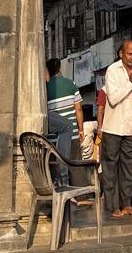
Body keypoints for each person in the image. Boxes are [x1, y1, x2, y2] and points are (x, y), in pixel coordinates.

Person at [100, 39, 132, 218]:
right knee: (110, 167)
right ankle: (113, 206)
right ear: (121, 54)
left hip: (130, 127)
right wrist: (130, 82)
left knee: (129, 167)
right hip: (113, 127)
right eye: (129, 53)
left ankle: (127, 203)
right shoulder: (113, 70)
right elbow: (112, 98)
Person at [45, 58, 84, 187]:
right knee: (76, 163)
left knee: (59, 163)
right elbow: (78, 108)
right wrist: (81, 129)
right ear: (60, 68)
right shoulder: (70, 83)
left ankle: (63, 189)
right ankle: (79, 197)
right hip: (72, 133)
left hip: (56, 138)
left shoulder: (45, 89)